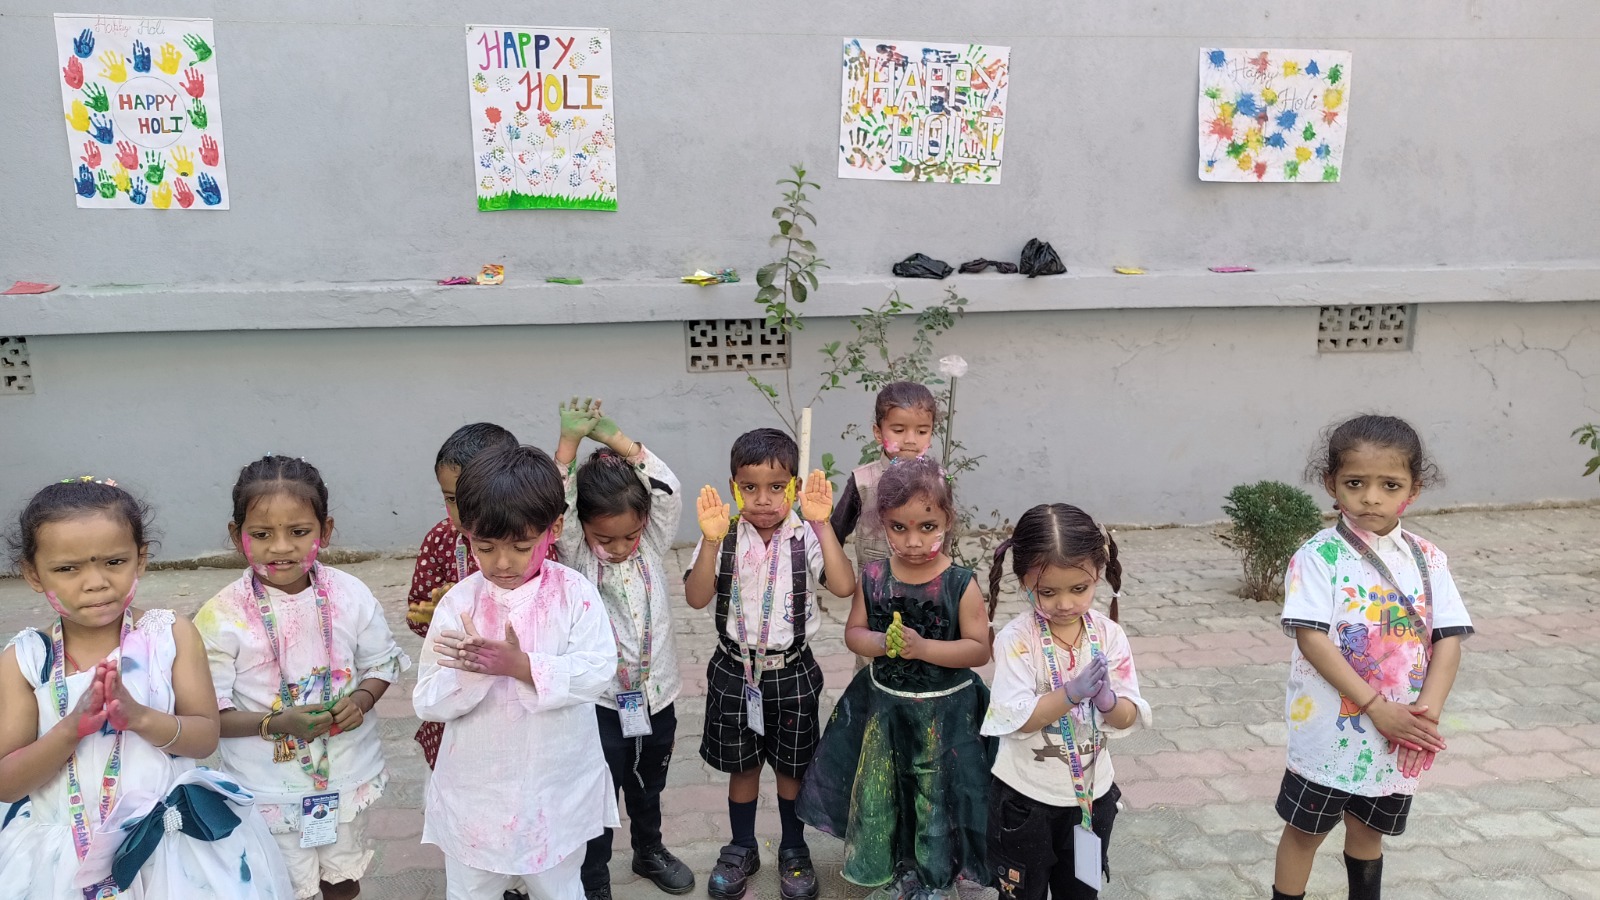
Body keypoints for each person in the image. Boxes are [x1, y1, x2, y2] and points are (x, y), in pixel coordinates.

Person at [0, 477, 293, 899]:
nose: (95, 582)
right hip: (64, 859)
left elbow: (204, 738)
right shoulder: (26, 660)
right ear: (32, 573)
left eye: (114, 562)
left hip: (170, 852)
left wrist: (139, 717)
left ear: (140, 559)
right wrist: (71, 729)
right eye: (67, 569)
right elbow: (7, 783)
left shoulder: (170, 635)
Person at [1271, 415, 1472, 900]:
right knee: (1304, 834)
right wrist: (1377, 708)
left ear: (1414, 490)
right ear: (1331, 483)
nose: (1371, 498)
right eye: (1355, 483)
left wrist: (1425, 716)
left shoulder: (1429, 558)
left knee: (1368, 833)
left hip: (1398, 736)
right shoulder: (1319, 557)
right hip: (1330, 735)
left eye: (1390, 485)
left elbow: (1447, 639)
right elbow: (1312, 639)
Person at [197, 456, 411, 900]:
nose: (281, 548)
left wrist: (362, 701)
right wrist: (277, 724)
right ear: (237, 536)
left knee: (343, 879)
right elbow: (208, 714)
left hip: (346, 775)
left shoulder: (351, 595)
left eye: (298, 532)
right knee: (281, 885)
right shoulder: (221, 616)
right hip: (267, 790)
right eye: (261, 534)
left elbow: (383, 663)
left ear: (325, 531)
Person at [414, 443, 619, 900]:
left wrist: (523, 666)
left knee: (559, 888)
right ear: (467, 534)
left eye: (521, 547)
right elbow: (426, 700)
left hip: (555, 785)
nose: (502, 563)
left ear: (554, 529)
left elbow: (598, 671)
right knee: (471, 890)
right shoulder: (459, 604)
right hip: (478, 793)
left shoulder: (575, 594)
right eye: (485, 547)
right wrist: (474, 671)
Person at [797, 456, 993, 899]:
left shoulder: (960, 584)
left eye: (927, 527)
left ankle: (935, 878)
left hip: (945, 716)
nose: (913, 540)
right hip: (885, 711)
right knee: (885, 792)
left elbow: (979, 649)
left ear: (947, 521)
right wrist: (881, 642)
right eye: (899, 528)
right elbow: (854, 633)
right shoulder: (873, 577)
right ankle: (895, 867)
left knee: (933, 796)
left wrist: (924, 648)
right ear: (882, 523)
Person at [685, 428, 856, 900]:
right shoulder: (723, 536)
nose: (763, 499)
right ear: (733, 486)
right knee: (742, 767)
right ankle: (741, 847)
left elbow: (844, 586)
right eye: (750, 487)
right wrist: (710, 541)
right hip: (734, 670)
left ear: (794, 487)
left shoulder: (806, 535)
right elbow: (696, 597)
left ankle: (794, 848)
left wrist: (824, 525)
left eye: (777, 487)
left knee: (792, 768)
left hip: (793, 671)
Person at [553, 399, 693, 899]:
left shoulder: (651, 542)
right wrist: (568, 445)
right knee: (600, 790)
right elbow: (558, 504)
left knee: (649, 781)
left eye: (628, 535)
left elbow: (669, 489)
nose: (618, 547)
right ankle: (594, 877)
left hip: (658, 695)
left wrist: (618, 440)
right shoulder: (576, 555)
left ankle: (648, 850)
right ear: (581, 529)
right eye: (605, 538)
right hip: (602, 702)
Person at [982, 504, 1150, 900]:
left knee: (1081, 893)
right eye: (1047, 592)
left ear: (1098, 575)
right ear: (1023, 581)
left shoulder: (1109, 636)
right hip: (1026, 801)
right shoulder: (1017, 641)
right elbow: (1018, 720)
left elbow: (1127, 716)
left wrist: (1108, 701)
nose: (1065, 604)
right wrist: (1071, 694)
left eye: (1079, 589)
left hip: (1092, 798)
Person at [404, 422, 520, 769]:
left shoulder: (529, 542)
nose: (461, 511)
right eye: (452, 499)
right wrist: (432, 616)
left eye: (473, 497)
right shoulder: (440, 540)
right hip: (456, 686)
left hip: (512, 688)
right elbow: (417, 610)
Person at [830, 382, 939, 574]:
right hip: (874, 584)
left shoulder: (939, 480)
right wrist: (830, 574)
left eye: (922, 431)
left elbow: (944, 535)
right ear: (878, 433)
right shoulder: (862, 481)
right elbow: (836, 531)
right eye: (899, 430)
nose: (910, 440)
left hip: (926, 583)